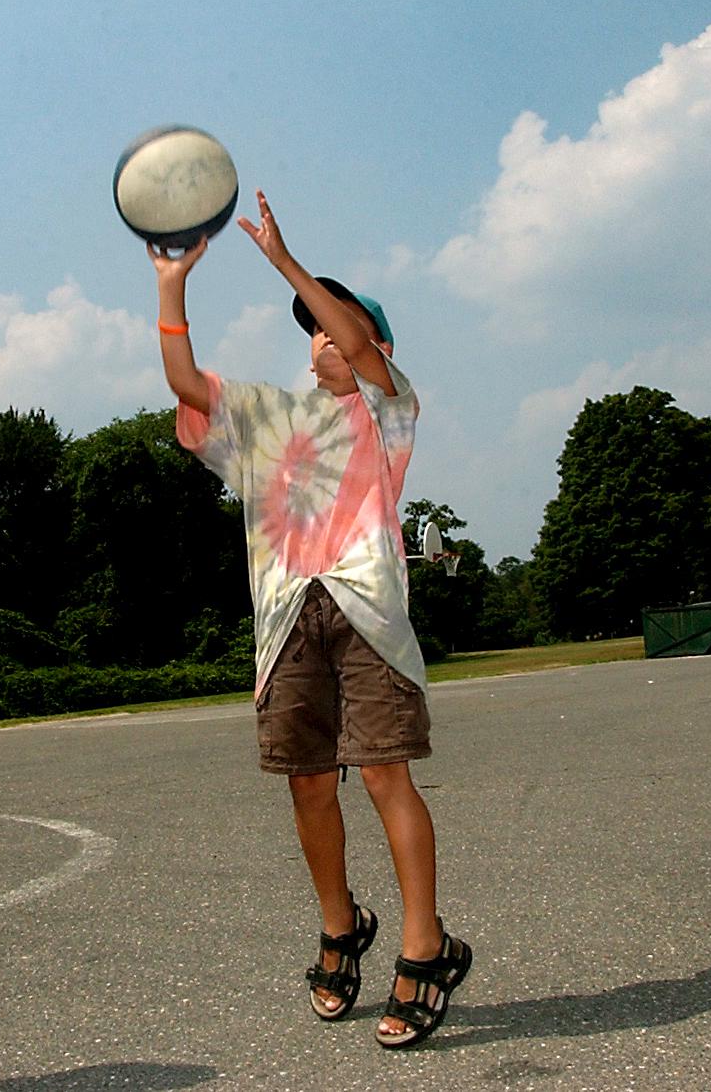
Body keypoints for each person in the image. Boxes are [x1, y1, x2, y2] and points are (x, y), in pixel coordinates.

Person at [150, 191, 469, 1049]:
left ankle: (424, 942)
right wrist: (171, 286)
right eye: (313, 329)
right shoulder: (269, 419)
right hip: (287, 617)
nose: (322, 338)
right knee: (308, 781)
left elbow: (362, 348)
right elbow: (184, 384)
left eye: (338, 325)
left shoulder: (385, 408)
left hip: (365, 611)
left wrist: (287, 264)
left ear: (376, 344)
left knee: (383, 776)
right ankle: (341, 925)